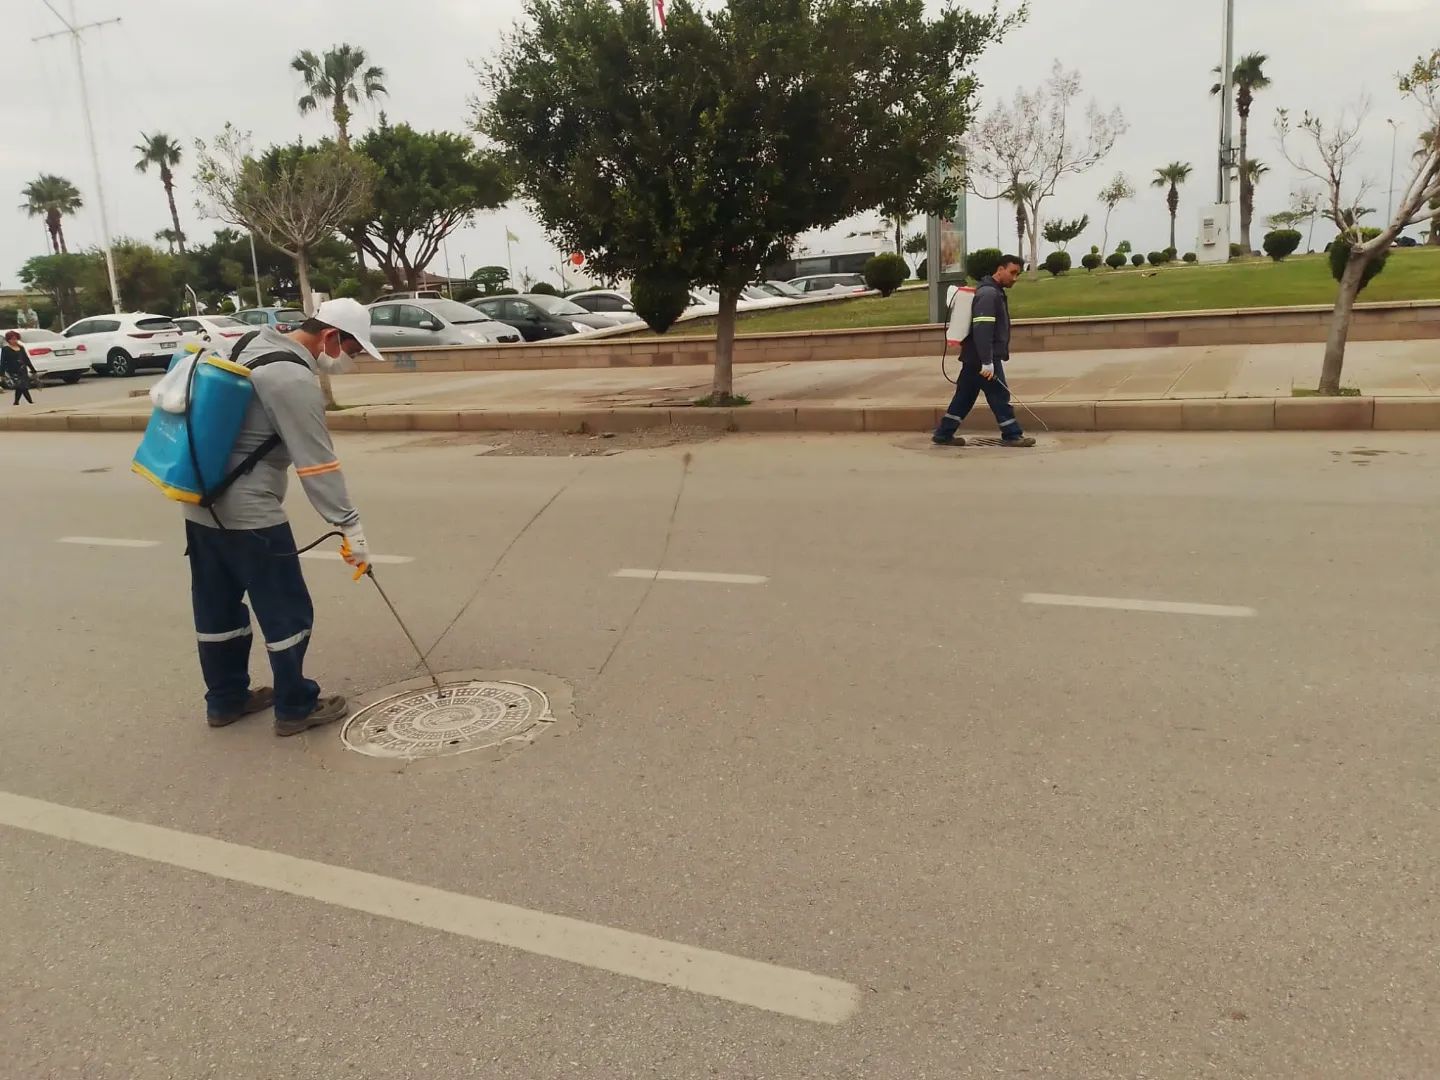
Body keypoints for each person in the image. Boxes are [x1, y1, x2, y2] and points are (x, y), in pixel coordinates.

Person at [184, 298, 383, 736]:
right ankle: (295, 707)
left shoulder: (252, 342)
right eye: (352, 351)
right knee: (286, 609)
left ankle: (225, 700)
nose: (350, 361)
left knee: (217, 606)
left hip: (198, 499)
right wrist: (349, 526)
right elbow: (317, 463)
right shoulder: (293, 377)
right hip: (250, 512)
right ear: (330, 337)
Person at [932, 254, 1036, 448]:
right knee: (999, 396)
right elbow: (983, 330)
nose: (1015, 278)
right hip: (982, 358)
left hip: (974, 357)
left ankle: (943, 433)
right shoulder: (989, 294)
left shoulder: (993, 292)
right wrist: (987, 361)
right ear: (1000, 269)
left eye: (1018, 274)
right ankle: (1012, 434)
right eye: (1012, 272)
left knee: (964, 397)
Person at [1, 330, 40, 405]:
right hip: (13, 371)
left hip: (22, 370)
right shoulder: (5, 349)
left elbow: (26, 359)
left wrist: (33, 369)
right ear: (8, 340)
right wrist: (2, 373)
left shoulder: (21, 348)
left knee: (21, 386)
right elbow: (3, 361)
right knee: (22, 386)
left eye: (15, 339)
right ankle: (30, 401)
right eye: (12, 339)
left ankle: (16, 402)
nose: (14, 340)